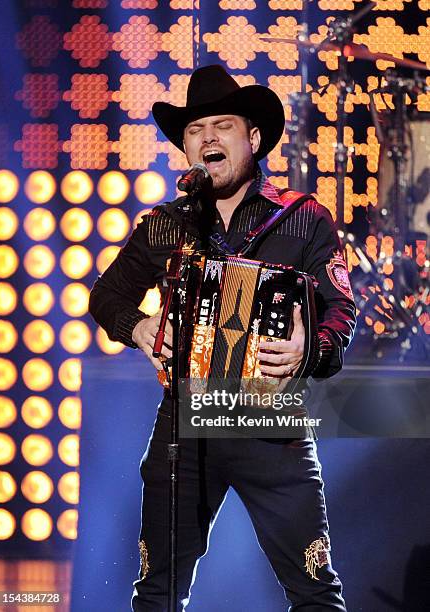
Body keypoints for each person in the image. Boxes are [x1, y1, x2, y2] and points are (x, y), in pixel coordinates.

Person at [89, 64, 356, 611]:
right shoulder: (167, 225)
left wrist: (311, 350)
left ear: (253, 138)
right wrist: (137, 326)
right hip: (186, 427)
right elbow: (106, 296)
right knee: (157, 592)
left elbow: (340, 308)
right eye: (194, 130)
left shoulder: (302, 220)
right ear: (186, 149)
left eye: (222, 124)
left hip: (272, 424)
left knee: (314, 593)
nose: (207, 137)